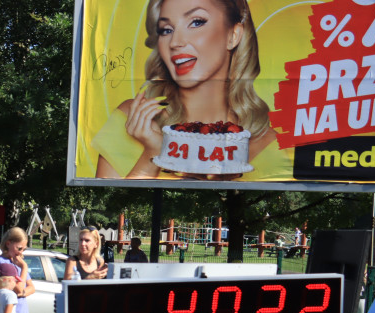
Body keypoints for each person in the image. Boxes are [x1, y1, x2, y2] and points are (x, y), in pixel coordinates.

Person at [93, 0, 287, 181]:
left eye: (196, 22)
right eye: (166, 30)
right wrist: (153, 152)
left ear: (233, 36)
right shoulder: (132, 119)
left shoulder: (268, 144)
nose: (176, 42)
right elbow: (109, 210)